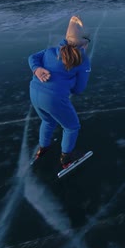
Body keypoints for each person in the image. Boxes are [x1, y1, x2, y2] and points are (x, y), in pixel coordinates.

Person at [28, 16, 92, 168]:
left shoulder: (51, 51)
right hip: (54, 99)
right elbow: (78, 89)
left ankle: (43, 147)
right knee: (72, 127)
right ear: (84, 42)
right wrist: (68, 84)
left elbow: (32, 57)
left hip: (34, 93)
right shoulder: (82, 60)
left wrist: (36, 69)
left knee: (48, 120)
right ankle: (66, 158)